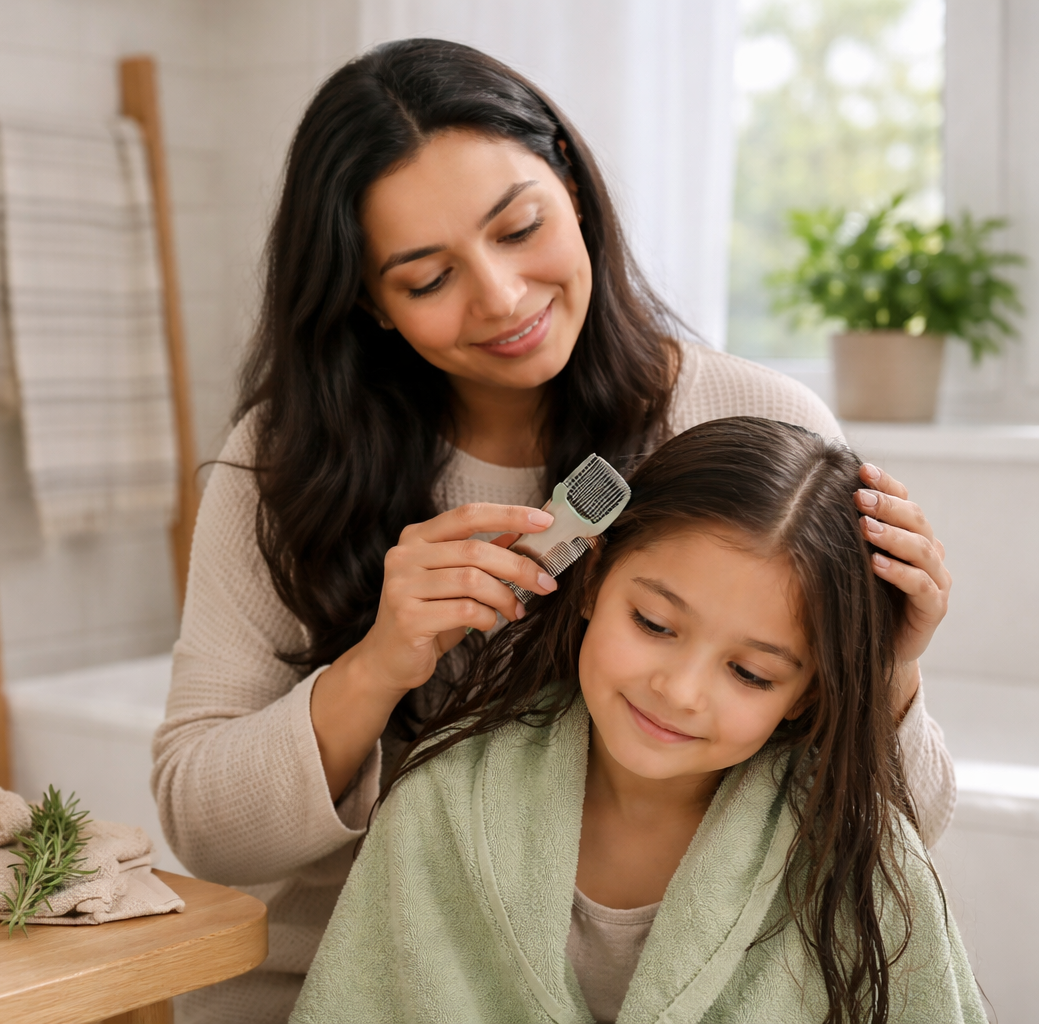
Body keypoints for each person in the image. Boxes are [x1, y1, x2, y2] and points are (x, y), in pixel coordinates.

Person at [152, 39, 956, 1023]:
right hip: (356, 974)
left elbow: (900, 832)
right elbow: (205, 829)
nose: (499, 295)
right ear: (370, 301)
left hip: (678, 991)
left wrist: (885, 665)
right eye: (426, 276)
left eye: (518, 226)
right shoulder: (286, 462)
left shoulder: (751, 424)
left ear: (573, 185)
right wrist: (379, 663)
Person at [289, 417, 983, 1024]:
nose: (680, 691)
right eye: (654, 624)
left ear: (805, 693)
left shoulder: (855, 851)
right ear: (591, 581)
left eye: (751, 673)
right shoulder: (447, 801)